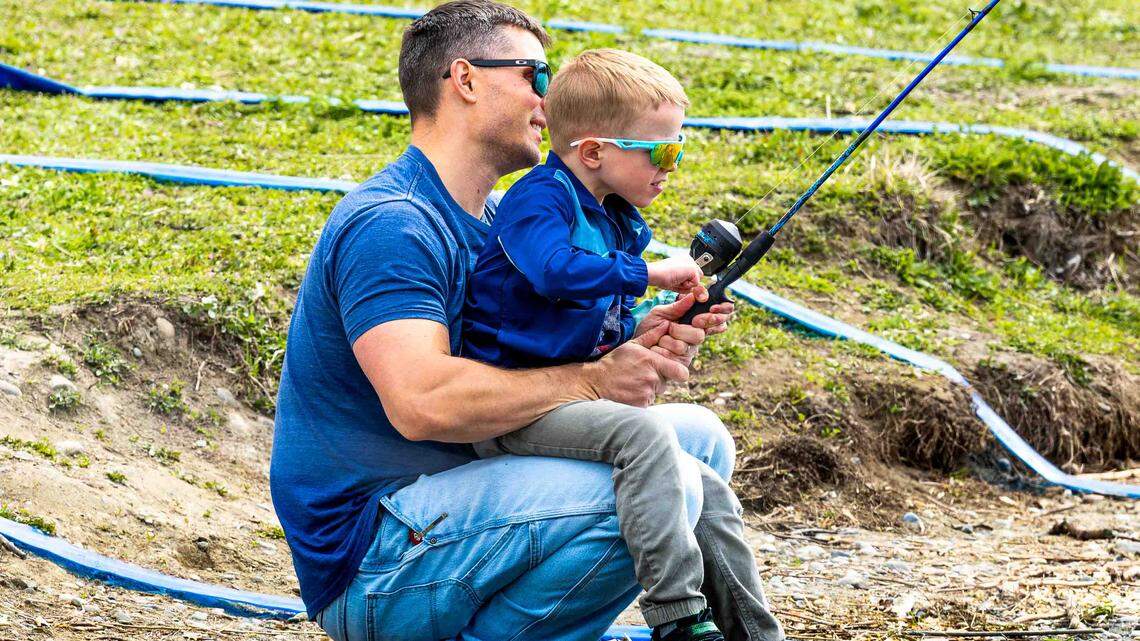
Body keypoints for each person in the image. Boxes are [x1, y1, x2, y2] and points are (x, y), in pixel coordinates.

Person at [268, 1, 784, 639]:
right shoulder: (394, 224)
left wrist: (634, 336)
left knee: (700, 441)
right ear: (466, 79)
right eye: (537, 76)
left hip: (459, 502)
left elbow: (530, 353)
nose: (551, 100)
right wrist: (594, 380)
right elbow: (422, 403)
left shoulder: (498, 220)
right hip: (378, 561)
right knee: (668, 475)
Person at [461, 48, 778, 641]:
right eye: (663, 152)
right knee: (646, 436)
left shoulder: (616, 218)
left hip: (569, 398)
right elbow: (553, 271)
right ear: (593, 152)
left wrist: (651, 323)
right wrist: (648, 274)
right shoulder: (538, 199)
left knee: (704, 484)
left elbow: (594, 322)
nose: (672, 166)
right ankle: (677, 617)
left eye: (678, 149)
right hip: (512, 407)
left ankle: (756, 634)